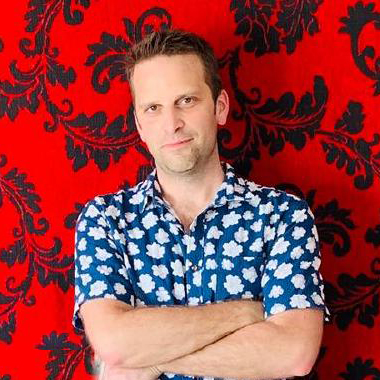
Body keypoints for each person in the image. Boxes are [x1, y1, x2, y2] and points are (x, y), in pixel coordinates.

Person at [73, 29, 328, 380]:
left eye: (186, 101)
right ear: (139, 125)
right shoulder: (105, 220)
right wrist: (245, 314)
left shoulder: (283, 215)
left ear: (219, 107)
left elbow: (292, 353)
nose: (172, 123)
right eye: (153, 108)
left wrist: (152, 359)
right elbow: (114, 343)